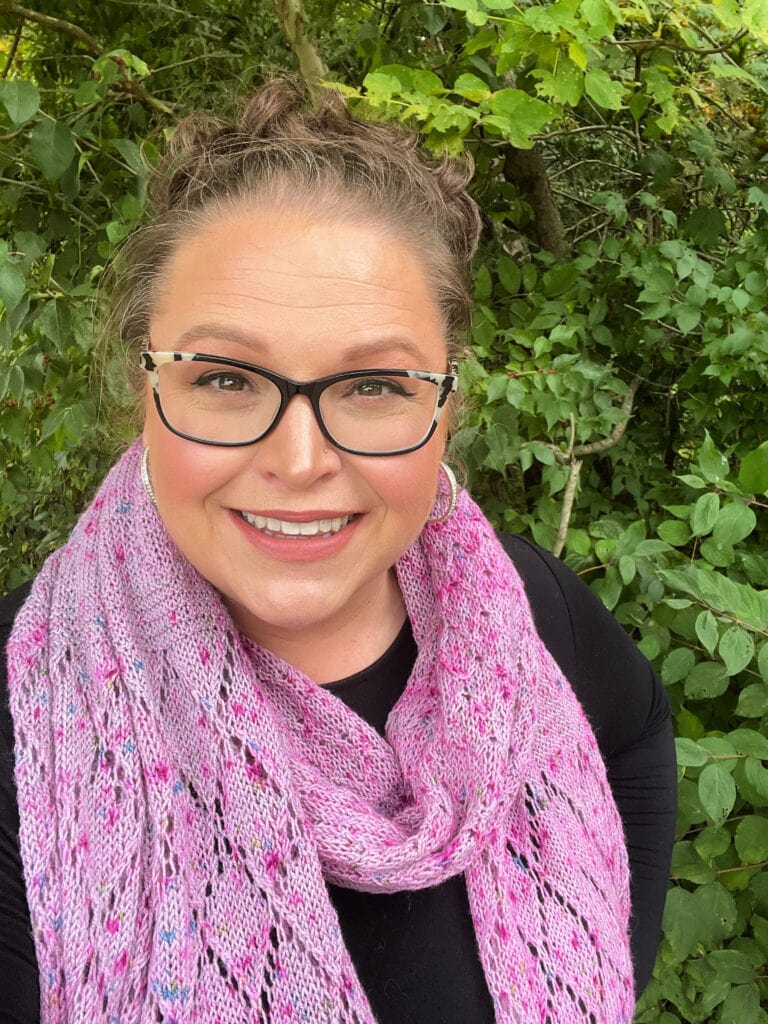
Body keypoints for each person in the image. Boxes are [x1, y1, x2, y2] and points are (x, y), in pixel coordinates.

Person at [0, 79, 676, 1024]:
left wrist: (602, 974)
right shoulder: (21, 717)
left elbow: (638, 734)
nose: (301, 461)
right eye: (227, 378)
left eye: (372, 386)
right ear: (140, 386)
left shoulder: (527, 610)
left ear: (447, 405)